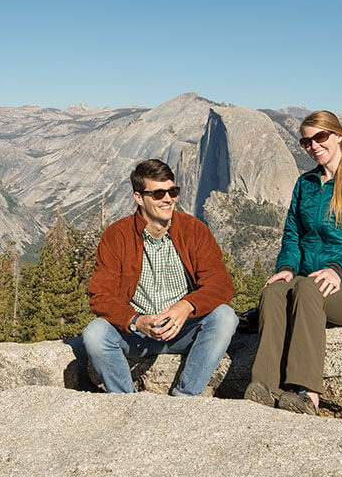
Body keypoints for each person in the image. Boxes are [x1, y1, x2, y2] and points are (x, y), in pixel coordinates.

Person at [246, 110, 342, 414]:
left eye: (320, 137)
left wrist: (339, 270)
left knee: (309, 289)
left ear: (338, 135)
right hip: (308, 283)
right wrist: (286, 268)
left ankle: (306, 394)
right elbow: (292, 236)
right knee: (273, 291)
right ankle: (264, 387)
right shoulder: (306, 184)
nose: (313, 145)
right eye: (306, 141)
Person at [82, 159, 238, 396]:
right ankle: (126, 402)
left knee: (225, 317)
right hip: (136, 334)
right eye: (158, 194)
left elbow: (221, 285)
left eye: (172, 191)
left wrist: (187, 306)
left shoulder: (194, 230)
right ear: (138, 197)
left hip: (182, 329)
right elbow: (100, 296)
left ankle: (184, 398)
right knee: (95, 334)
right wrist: (136, 320)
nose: (168, 199)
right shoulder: (118, 235)